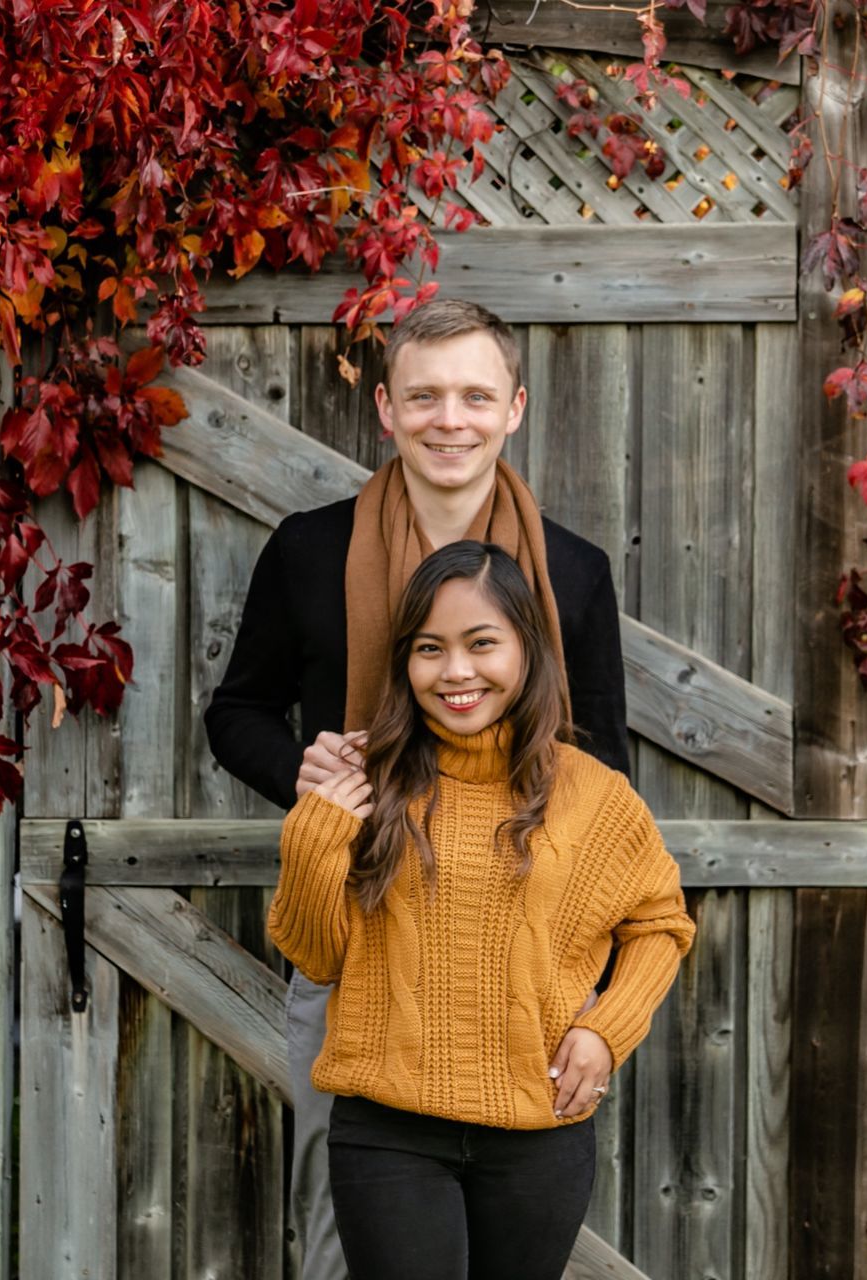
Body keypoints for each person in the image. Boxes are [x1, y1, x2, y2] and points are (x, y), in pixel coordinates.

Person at [204, 299, 630, 1279]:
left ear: (513, 406)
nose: (451, 418)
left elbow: (606, 777)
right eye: (425, 395)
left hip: (524, 959)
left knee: (511, 1241)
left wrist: (594, 997)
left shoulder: (572, 574)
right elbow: (238, 714)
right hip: (355, 946)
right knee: (338, 1239)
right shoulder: (310, 551)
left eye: (476, 395)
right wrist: (300, 769)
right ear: (386, 409)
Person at [267, 541, 693, 1280]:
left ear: (527, 649)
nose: (456, 672)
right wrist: (315, 831)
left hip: (539, 1133)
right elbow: (318, 957)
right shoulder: (367, 780)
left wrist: (605, 1031)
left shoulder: (595, 796)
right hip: (388, 1132)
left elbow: (660, 925)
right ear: (405, 661)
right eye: (430, 649)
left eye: (481, 644)